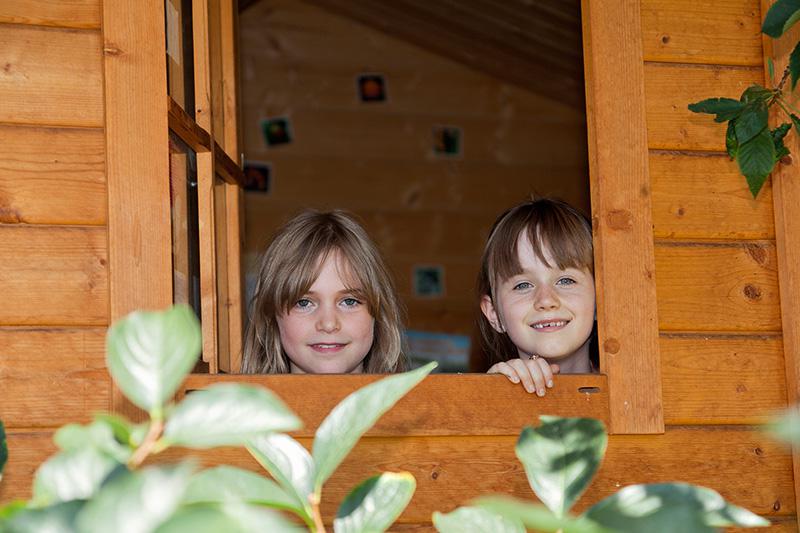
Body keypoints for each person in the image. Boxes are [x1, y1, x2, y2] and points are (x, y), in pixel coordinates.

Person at [242, 209, 406, 374]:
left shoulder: (417, 400)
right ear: (272, 318)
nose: (328, 324)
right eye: (303, 303)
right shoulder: (237, 401)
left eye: (349, 301)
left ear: (378, 315)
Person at [477, 198, 598, 395]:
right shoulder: (485, 404)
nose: (546, 300)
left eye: (566, 280)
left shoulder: (631, 396)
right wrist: (492, 397)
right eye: (523, 285)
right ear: (494, 314)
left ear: (600, 300)